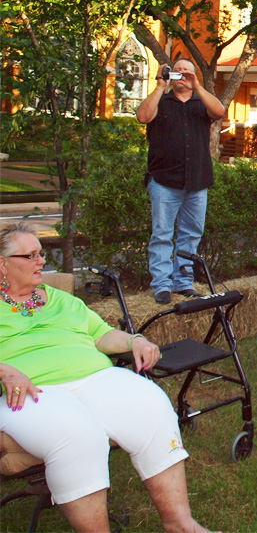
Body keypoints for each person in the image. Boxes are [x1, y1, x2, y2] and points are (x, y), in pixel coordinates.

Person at [0, 222, 211, 532]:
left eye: (41, 253)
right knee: (77, 434)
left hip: (94, 378)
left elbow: (101, 334)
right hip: (34, 392)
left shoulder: (62, 300)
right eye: (30, 256)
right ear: (3, 264)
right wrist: (4, 369)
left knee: (150, 403)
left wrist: (133, 341)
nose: (41, 261)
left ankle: (180, 524)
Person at [137, 58, 225, 305]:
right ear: (169, 74)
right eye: (178, 72)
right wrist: (159, 85)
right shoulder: (160, 101)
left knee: (191, 235)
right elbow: (143, 117)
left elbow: (219, 112)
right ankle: (162, 286)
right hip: (165, 181)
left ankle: (183, 283)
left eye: (188, 72)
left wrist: (197, 87)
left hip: (197, 182)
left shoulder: (201, 101)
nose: (183, 76)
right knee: (162, 235)